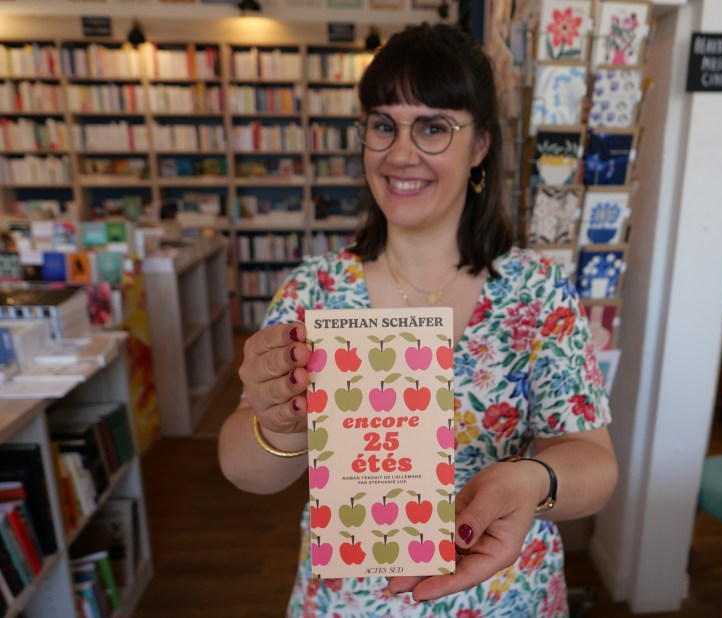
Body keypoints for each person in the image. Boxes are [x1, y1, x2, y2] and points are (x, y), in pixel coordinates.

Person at [218, 22, 618, 617]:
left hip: (505, 597)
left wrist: (534, 479)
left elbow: (594, 460)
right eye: (384, 125)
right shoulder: (315, 289)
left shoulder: (536, 290)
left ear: (480, 145)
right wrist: (278, 424)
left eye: (433, 128)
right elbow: (244, 470)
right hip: (351, 602)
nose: (400, 153)